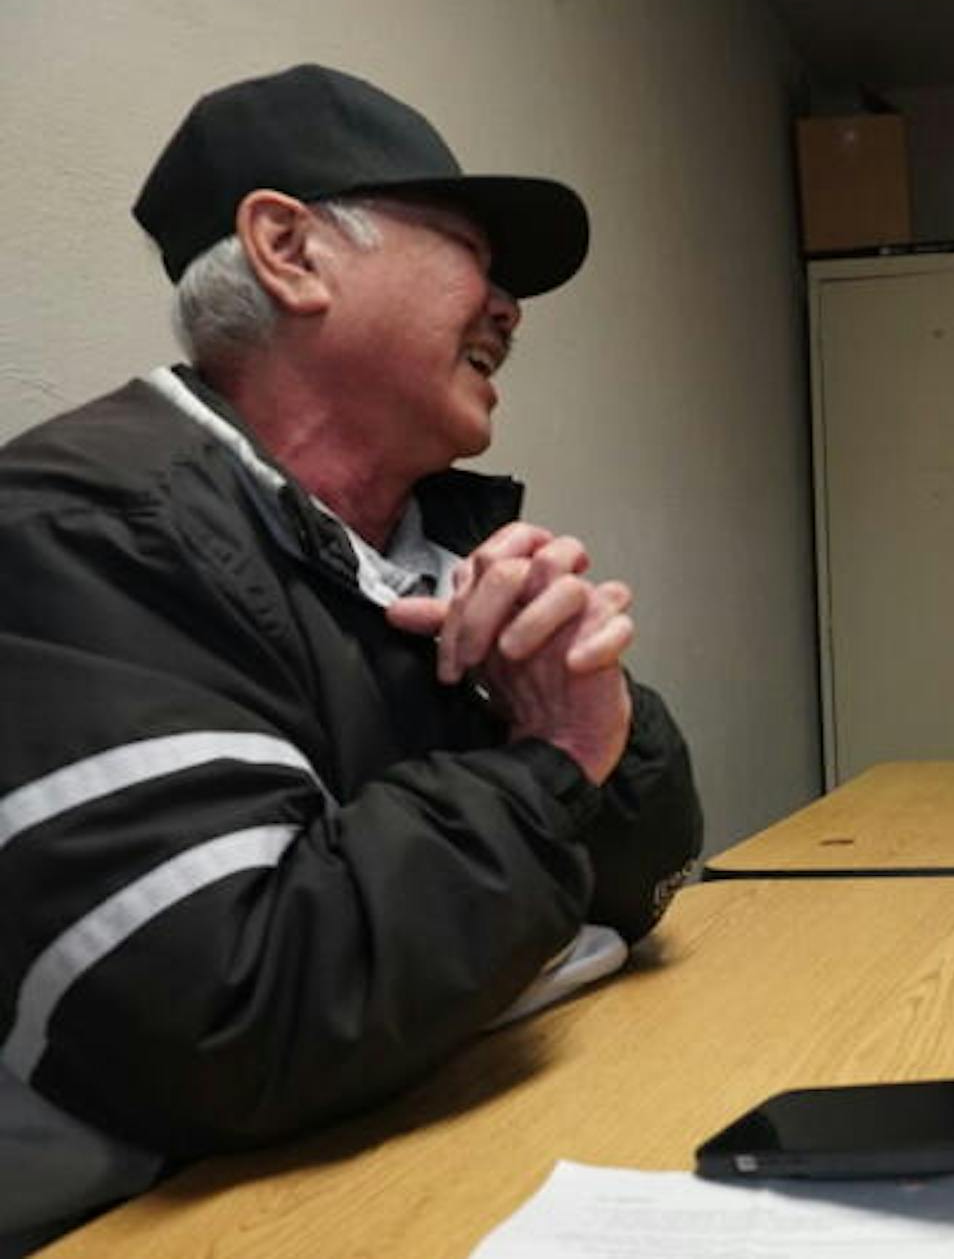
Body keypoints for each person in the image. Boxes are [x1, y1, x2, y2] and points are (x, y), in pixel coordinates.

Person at [0, 65, 702, 1249]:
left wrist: (595, 714)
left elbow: (648, 879)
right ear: (289, 248)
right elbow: (233, 1018)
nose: (511, 306)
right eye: (475, 250)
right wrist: (549, 764)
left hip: (439, 1148)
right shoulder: (80, 532)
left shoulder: (431, 538)